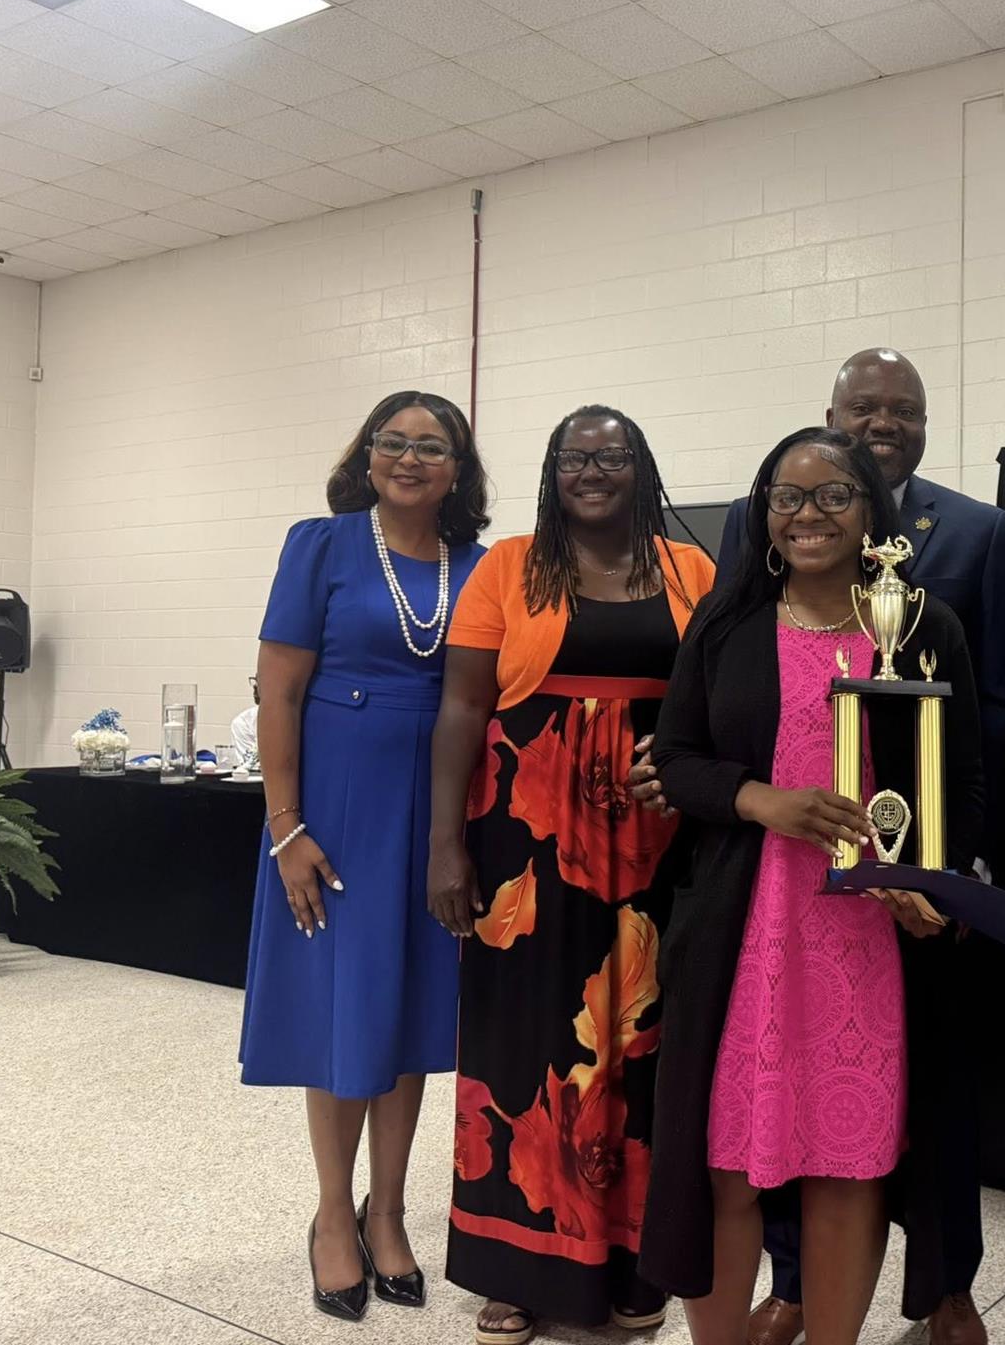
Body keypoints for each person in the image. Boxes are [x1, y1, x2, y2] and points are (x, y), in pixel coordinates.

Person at [640, 427, 985, 1345]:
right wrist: (761, 800)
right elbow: (675, 759)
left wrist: (931, 888)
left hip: (870, 941)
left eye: (833, 494)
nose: (808, 515)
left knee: (849, 1163)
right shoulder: (726, 623)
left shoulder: (923, 625)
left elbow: (967, 783)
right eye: (787, 497)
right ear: (764, 514)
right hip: (745, 929)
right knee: (725, 1164)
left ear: (873, 509)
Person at [717, 346, 1005, 1345]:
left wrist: (948, 866)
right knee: (797, 1097)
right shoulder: (762, 516)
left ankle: (946, 1286)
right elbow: (729, 681)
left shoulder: (979, 532)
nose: (886, 419)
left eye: (905, 407)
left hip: (913, 879)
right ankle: (801, 1284)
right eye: (866, 405)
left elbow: (992, 720)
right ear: (834, 413)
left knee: (928, 1097)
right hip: (783, 878)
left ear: (927, 422)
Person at [427, 407, 717, 1345]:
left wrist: (686, 770)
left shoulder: (693, 571)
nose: (592, 470)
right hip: (526, 839)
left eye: (612, 455)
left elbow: (714, 706)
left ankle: (636, 1262)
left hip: (656, 843)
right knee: (521, 1042)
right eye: (573, 457)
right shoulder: (506, 565)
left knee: (637, 1044)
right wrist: (445, 847)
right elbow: (463, 709)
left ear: (643, 467)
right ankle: (511, 1264)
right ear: (552, 472)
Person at [238, 390, 490, 1322]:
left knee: (415, 1008)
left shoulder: (480, 564)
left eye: (432, 445)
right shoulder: (322, 544)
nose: (410, 457)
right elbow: (277, 691)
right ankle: (333, 1213)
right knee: (348, 1007)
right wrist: (287, 826)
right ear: (368, 453)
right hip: (340, 805)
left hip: (439, 810)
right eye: (394, 440)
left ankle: (390, 1209)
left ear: (457, 469)